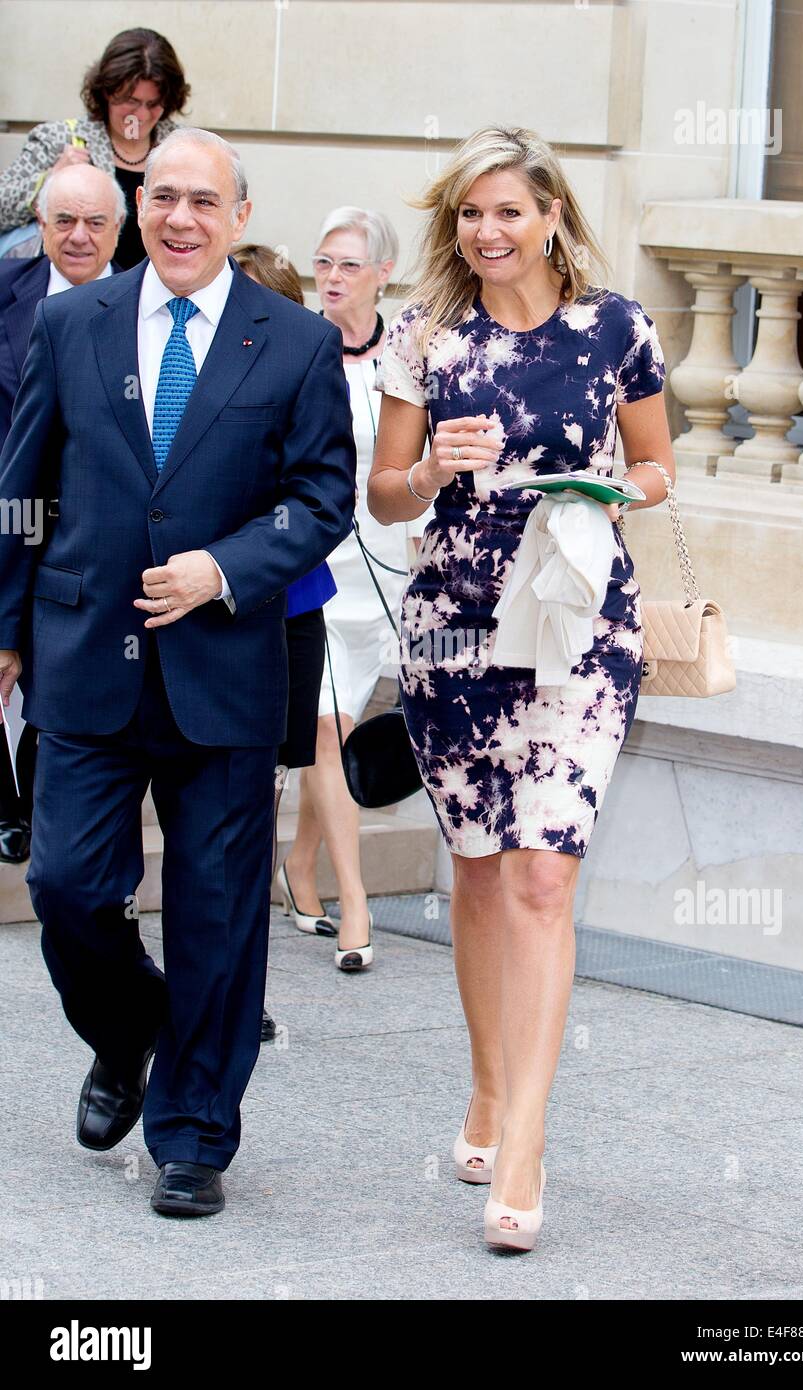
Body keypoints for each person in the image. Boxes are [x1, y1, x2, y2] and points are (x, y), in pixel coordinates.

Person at [0, 127, 356, 1219]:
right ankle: (128, 1032)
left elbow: (321, 500)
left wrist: (222, 566)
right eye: (161, 196)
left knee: (216, 914)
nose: (181, 217)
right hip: (82, 663)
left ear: (239, 217)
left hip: (224, 673)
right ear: (134, 203)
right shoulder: (72, 322)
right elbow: (23, 491)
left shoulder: (293, 343)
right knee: (64, 887)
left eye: (204, 200)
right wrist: (6, 630)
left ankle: (195, 1131)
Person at [368, 125, 674, 1251]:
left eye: (506, 210)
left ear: (550, 215)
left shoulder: (615, 328)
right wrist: (428, 470)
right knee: (483, 877)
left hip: (576, 624)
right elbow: (386, 495)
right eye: (467, 213)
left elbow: (657, 464)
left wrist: (604, 490)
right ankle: (489, 1089)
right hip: (454, 633)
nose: (486, 232)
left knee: (544, 876)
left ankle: (527, 1140)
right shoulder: (424, 337)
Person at [279, 207, 431, 973]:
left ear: (382, 275)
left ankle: (299, 867)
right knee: (326, 734)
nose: (332, 279)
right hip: (317, 574)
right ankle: (356, 903)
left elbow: (417, 471)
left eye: (348, 265)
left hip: (390, 573)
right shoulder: (296, 349)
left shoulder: (404, 358)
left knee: (328, 742)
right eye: (323, 263)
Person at [0, 163, 127, 862]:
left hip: (93, 543)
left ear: (118, 229)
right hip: (9, 519)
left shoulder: (149, 309)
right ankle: (10, 804)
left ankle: (56, 826)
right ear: (39, 227)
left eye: (95, 223)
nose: (78, 237)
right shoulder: (5, 295)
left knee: (65, 693)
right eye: (64, 222)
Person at [232, 242, 338, 1038]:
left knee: (262, 796)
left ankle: (244, 984)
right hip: (198, 615)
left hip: (291, 612)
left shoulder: (302, 373)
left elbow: (321, 500)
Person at [0, 27, 187, 268]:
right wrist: (48, 181)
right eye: (131, 101)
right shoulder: (60, 139)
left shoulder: (183, 148)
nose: (140, 114)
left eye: (153, 104)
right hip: (76, 295)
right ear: (106, 92)